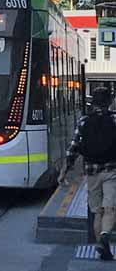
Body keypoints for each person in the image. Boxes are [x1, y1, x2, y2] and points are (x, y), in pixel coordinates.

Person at [59, 86, 116, 260]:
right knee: (110, 208)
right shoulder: (115, 120)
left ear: (93, 103)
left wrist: (63, 172)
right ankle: (106, 235)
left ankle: (101, 245)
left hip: (91, 173)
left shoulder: (83, 121)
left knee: (97, 211)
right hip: (112, 171)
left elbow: (73, 149)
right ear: (109, 102)